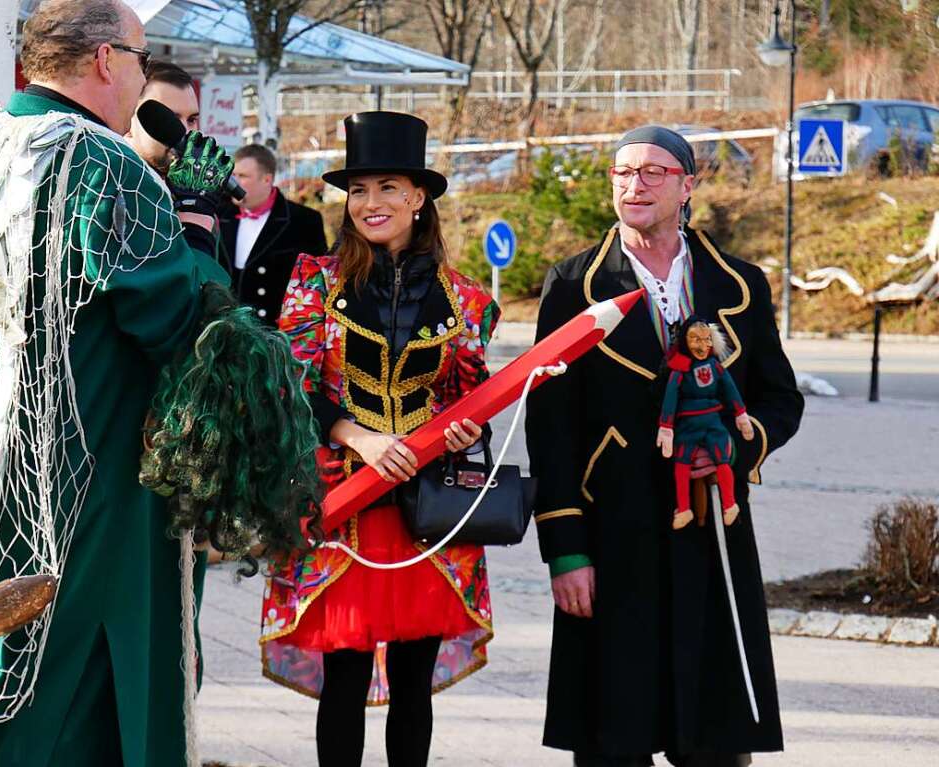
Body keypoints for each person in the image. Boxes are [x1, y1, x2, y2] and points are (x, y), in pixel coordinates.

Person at [0, 1, 234, 765]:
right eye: (140, 58)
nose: (142, 80)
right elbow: (181, 326)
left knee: (3, 696)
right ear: (104, 62)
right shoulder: (98, 162)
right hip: (93, 495)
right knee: (93, 708)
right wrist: (193, 221)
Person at [525, 125, 804, 767]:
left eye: (653, 171)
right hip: (610, 534)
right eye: (622, 172)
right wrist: (565, 551)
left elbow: (780, 399)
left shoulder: (739, 284)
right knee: (611, 740)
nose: (634, 184)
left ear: (687, 186)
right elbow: (551, 426)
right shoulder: (573, 286)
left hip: (712, 533)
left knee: (714, 741)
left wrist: (736, 449)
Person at [260, 111, 499, 767]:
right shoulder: (315, 281)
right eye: (360, 190)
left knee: (415, 685)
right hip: (344, 507)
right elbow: (290, 387)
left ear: (420, 198)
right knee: (345, 677)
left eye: (388, 187)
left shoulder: (467, 300)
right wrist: (356, 435)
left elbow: (472, 398)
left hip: (427, 514)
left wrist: (463, 426)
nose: (371, 203)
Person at [219, 143, 328, 324]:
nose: (233, 181)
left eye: (243, 176)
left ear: (267, 180)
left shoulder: (304, 221)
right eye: (233, 175)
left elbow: (314, 287)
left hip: (275, 335)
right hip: (227, 331)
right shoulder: (219, 215)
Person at [125, 58, 200, 174]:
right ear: (128, 119)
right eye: (170, 119)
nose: (185, 132)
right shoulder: (105, 183)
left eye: (191, 120)